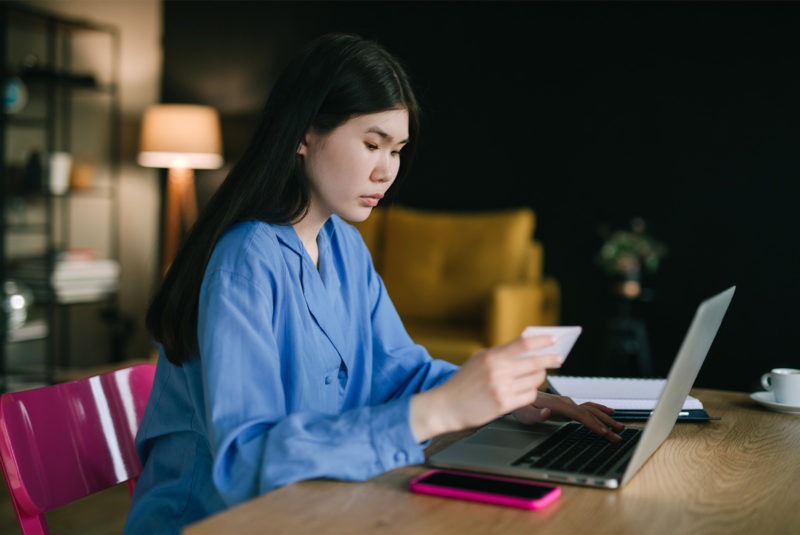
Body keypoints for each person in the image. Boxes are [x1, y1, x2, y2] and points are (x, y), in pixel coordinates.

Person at [124, 33, 624, 534]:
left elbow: (399, 371)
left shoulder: (344, 246)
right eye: (371, 144)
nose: (387, 171)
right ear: (303, 134)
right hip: (213, 522)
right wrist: (439, 410)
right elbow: (244, 462)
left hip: (313, 509)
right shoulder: (246, 259)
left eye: (398, 150)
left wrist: (509, 397)